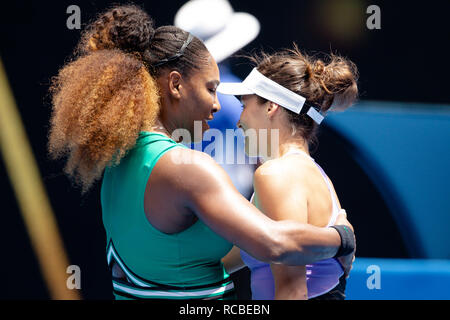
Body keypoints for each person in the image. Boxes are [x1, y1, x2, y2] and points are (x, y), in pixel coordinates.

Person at [47, 5, 355, 300]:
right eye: (210, 88)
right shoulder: (188, 168)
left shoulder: (119, 160)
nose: (220, 105)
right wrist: (341, 238)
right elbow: (277, 244)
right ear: (177, 85)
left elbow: (179, 265)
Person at [218, 46, 358, 299]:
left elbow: (292, 291)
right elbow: (228, 259)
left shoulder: (276, 174)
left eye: (244, 106)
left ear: (271, 107)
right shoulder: (313, 173)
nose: (239, 121)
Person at [174, 0, 261, 199]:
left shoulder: (176, 93)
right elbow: (262, 157)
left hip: (183, 204)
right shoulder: (237, 96)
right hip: (230, 207)